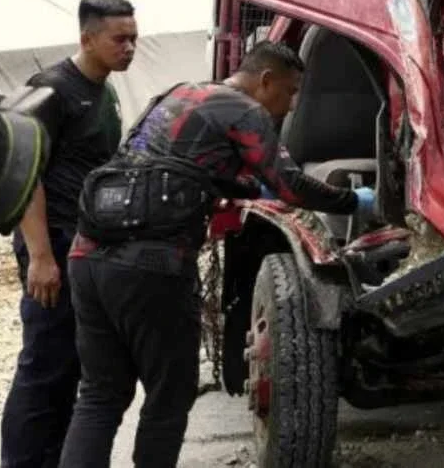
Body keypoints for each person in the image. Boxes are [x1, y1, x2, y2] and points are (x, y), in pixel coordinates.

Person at [59, 41, 377, 468]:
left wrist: (245, 188)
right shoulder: (246, 111)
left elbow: (188, 167)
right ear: (265, 81)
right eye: (290, 91)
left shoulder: (176, 95)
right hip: (151, 263)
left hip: (87, 256)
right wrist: (354, 201)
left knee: (100, 395)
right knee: (170, 393)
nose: (292, 103)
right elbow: (290, 186)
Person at [1, 0, 137, 468]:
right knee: (44, 367)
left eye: (134, 38)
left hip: (84, 245)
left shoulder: (107, 90)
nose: (130, 48)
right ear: (87, 38)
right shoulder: (52, 90)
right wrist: (40, 256)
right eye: (119, 39)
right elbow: (25, 172)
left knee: (75, 366)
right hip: (53, 241)